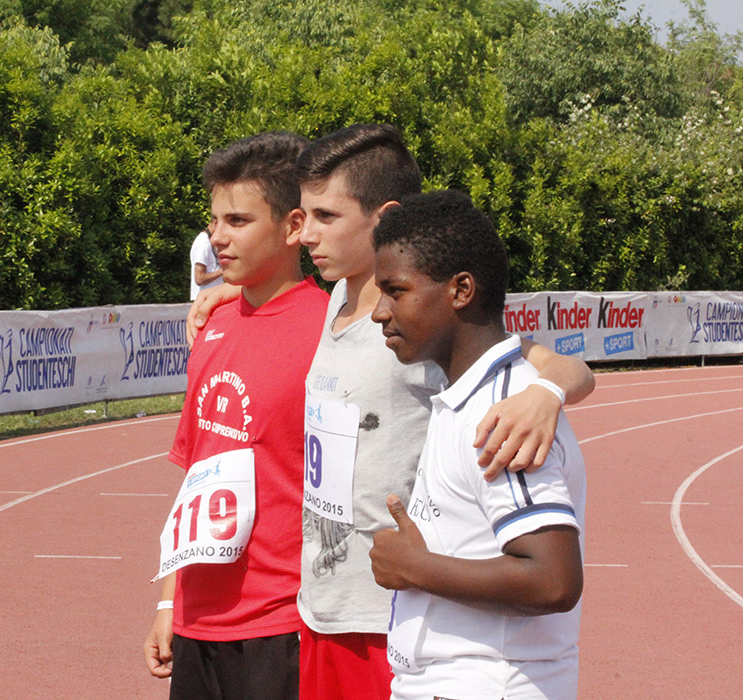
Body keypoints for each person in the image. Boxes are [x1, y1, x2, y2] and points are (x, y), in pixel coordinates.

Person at [188, 124, 594, 700]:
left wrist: (544, 394)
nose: (308, 233)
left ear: (385, 218)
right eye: (305, 215)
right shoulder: (337, 297)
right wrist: (232, 290)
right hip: (322, 607)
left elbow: (556, 366)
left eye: (326, 217)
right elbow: (279, 292)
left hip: (390, 616)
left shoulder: (419, 324)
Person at [369, 189, 585, 700]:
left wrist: (415, 567)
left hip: (488, 685)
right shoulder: (473, 395)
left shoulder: (502, 414)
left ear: (461, 290)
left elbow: (553, 580)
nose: (379, 312)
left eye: (396, 291)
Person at [143, 131, 330, 700]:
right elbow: (197, 475)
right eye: (214, 221)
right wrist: (169, 602)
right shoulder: (210, 325)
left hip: (282, 624)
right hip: (197, 623)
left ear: (294, 226)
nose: (217, 238)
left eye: (238, 221)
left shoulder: (331, 332)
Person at [189, 220, 223, 300]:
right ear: (215, 223)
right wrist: (222, 271)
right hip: (204, 300)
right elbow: (199, 278)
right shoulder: (202, 243)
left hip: (211, 298)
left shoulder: (209, 241)